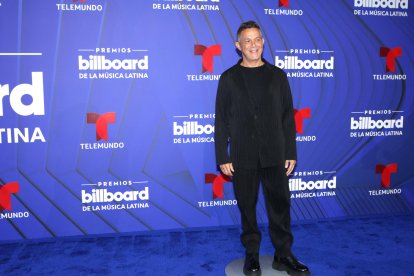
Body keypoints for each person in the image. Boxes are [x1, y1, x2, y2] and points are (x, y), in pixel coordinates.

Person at [214, 21, 310, 276]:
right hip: (242, 156)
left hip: (275, 153)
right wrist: (222, 155)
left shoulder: (278, 76)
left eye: (257, 39)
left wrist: (290, 151)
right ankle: (252, 255)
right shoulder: (228, 78)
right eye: (247, 40)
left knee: (280, 206)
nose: (253, 45)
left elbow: (288, 117)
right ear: (238, 46)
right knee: (247, 208)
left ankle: (283, 255)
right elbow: (221, 120)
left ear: (263, 42)